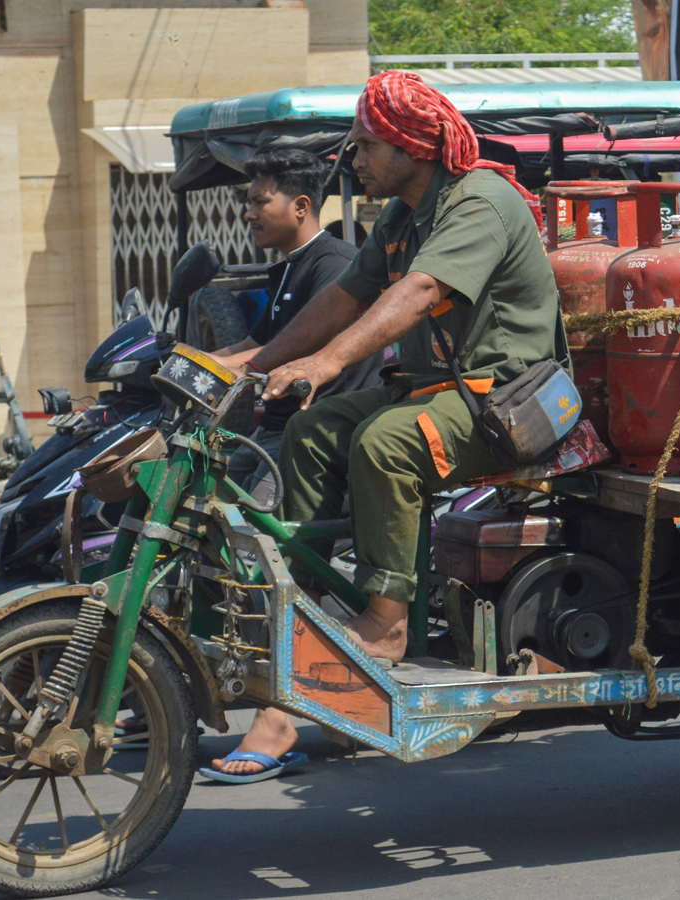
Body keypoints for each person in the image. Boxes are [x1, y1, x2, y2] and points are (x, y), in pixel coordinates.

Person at [201, 71, 558, 782]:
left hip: (506, 400)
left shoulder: (478, 201)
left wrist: (329, 362)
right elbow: (345, 296)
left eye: (366, 146)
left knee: (387, 442)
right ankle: (323, 605)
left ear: (412, 146)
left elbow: (419, 291)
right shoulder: (402, 213)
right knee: (312, 428)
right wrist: (257, 365)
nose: (353, 161)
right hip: (438, 388)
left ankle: (386, 624)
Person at [209, 149, 380, 507]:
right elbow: (253, 343)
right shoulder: (290, 267)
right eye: (248, 201)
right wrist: (187, 357)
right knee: (210, 516)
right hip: (272, 427)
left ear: (300, 206)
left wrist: (228, 367)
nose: (248, 213)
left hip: (310, 431)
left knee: (254, 543)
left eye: (260, 202)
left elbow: (294, 350)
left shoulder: (334, 265)